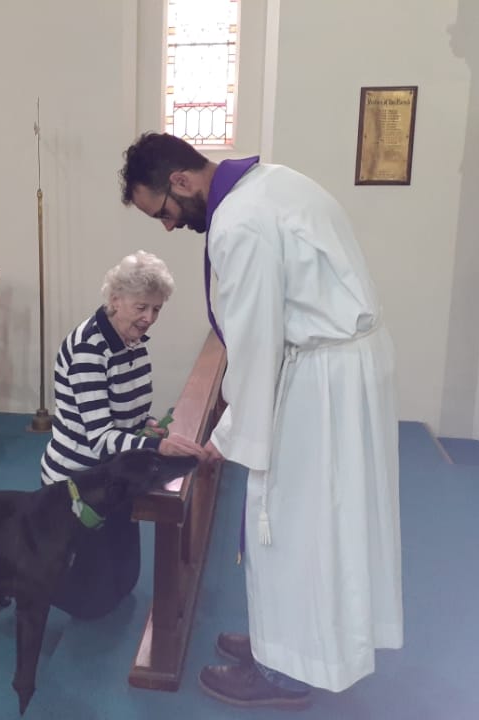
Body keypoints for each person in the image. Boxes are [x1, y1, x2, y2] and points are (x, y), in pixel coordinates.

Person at [119, 133, 403, 708]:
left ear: (180, 180)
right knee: (317, 521)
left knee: (291, 520)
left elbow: (255, 339)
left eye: (164, 213)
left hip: (321, 379)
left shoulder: (239, 222)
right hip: (338, 367)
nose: (170, 227)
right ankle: (285, 643)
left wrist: (226, 434)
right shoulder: (271, 182)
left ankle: (286, 672)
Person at [40, 249, 207, 620]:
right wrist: (156, 444)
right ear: (116, 300)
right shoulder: (89, 349)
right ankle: (7, 580)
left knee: (127, 580)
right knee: (91, 603)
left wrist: (144, 423)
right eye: (141, 307)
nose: (149, 318)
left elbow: (124, 410)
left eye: (157, 310)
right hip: (76, 479)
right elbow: (99, 436)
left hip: (115, 473)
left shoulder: (130, 341)